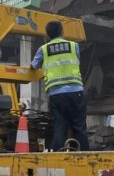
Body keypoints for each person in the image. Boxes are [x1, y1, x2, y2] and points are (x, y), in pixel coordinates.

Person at [31, 20, 89, 151]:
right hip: (75, 92)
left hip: (56, 94)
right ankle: (84, 155)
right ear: (62, 31)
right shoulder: (74, 46)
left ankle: (58, 156)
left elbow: (33, 66)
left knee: (59, 127)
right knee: (79, 127)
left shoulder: (43, 49)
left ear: (47, 35)